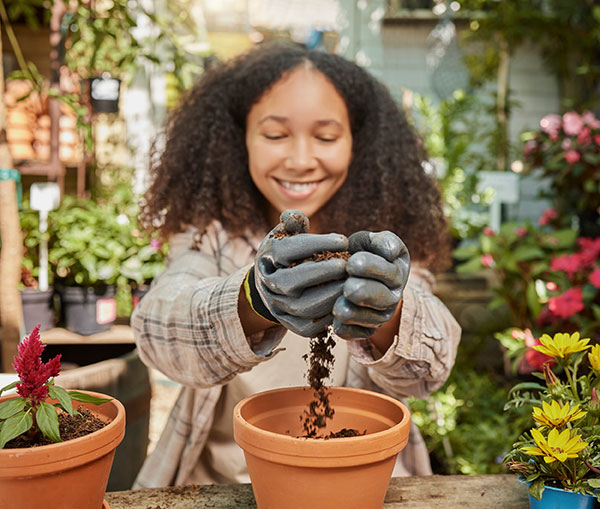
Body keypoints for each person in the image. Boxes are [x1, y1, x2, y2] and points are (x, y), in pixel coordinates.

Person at [132, 42, 461, 488]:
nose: (302, 160)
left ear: (356, 143)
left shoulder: (385, 239)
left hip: (358, 481)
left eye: (325, 137)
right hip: (224, 485)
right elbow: (158, 327)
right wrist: (254, 297)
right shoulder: (210, 234)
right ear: (240, 138)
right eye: (275, 135)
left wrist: (390, 310)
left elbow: (431, 370)